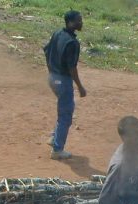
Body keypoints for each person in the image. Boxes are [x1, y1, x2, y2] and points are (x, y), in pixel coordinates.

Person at [44, 10, 86, 160]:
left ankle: (54, 137)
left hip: (52, 78)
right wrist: (80, 87)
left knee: (64, 109)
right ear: (70, 23)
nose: (81, 22)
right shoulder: (72, 43)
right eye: (78, 20)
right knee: (66, 115)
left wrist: (51, 71)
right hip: (63, 81)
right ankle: (57, 150)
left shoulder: (57, 34)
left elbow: (46, 50)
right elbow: (72, 68)